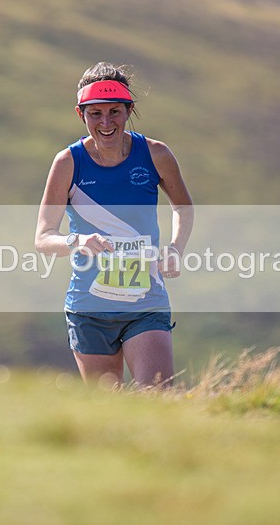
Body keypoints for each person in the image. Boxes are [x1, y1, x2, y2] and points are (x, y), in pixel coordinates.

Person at [35, 62, 194, 388]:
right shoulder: (68, 163)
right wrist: (75, 241)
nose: (106, 123)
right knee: (108, 407)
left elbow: (183, 208)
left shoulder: (155, 155)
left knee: (158, 395)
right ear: (81, 114)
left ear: (128, 110)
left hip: (146, 301)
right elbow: (43, 236)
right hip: (89, 307)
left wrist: (176, 248)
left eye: (114, 112)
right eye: (95, 114)